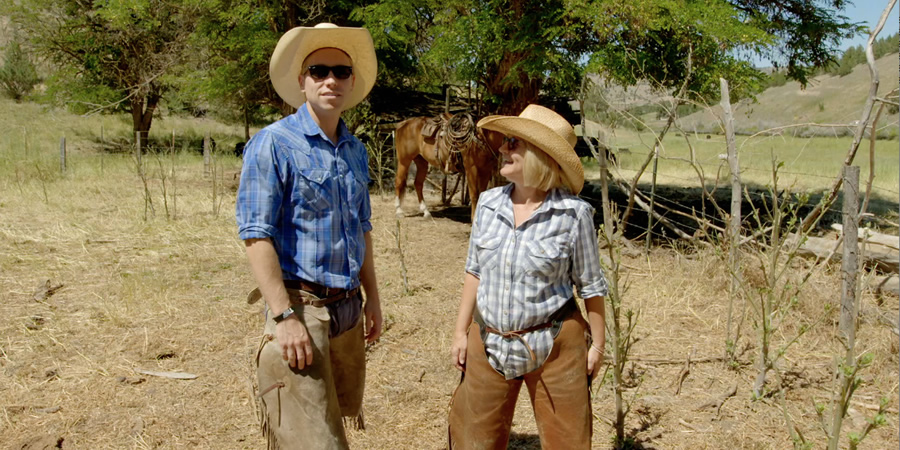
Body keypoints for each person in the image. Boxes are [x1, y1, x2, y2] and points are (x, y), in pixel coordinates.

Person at [236, 23, 383, 450]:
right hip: (304, 307)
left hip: (347, 308)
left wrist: (372, 297)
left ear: (352, 81)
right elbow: (255, 236)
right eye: (319, 70)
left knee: (334, 415)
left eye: (340, 71)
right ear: (302, 81)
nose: (330, 80)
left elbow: (363, 229)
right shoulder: (273, 143)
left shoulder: (355, 150)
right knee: (316, 441)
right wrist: (284, 318)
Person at [448, 104, 608, 449]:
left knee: (568, 442)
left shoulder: (574, 215)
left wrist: (597, 345)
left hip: (554, 346)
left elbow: (591, 286)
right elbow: (474, 271)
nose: (502, 148)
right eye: (505, 141)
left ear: (538, 154)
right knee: (475, 441)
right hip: (487, 342)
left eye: (513, 143)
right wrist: (461, 332)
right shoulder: (488, 205)